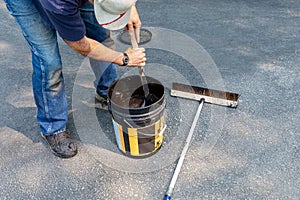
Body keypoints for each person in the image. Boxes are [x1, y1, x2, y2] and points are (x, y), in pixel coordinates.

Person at [3, 0, 146, 158]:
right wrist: (123, 58)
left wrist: (128, 8)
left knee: (100, 35)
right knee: (49, 61)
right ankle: (53, 126)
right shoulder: (60, 4)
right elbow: (79, 44)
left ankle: (106, 92)